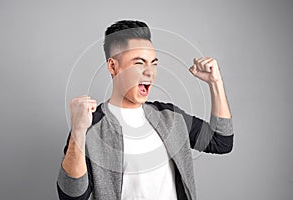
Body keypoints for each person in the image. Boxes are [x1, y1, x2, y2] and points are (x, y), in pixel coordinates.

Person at [56, 20, 234, 200]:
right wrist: (78, 132)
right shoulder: (90, 126)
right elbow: (71, 196)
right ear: (113, 66)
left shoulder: (170, 117)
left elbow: (222, 141)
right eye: (139, 63)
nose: (150, 72)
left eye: (154, 63)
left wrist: (215, 82)